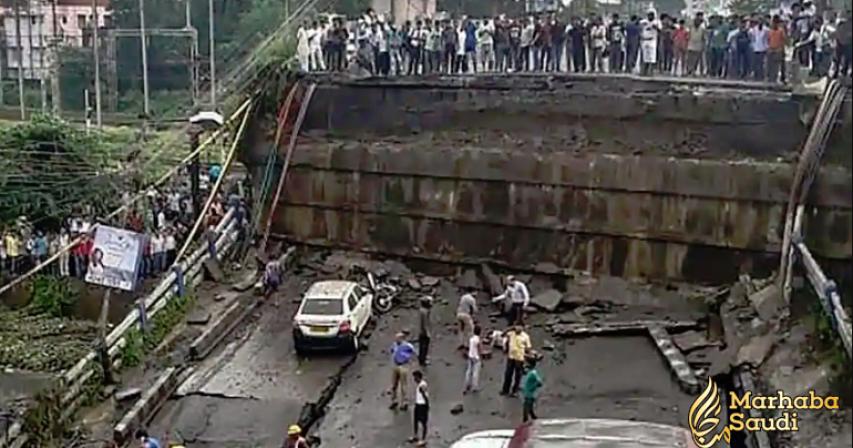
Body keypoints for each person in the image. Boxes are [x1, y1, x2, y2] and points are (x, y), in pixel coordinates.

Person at [500, 324, 531, 396]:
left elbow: (528, 348)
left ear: (522, 328)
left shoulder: (525, 336)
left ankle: (515, 391)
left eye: (519, 327)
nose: (518, 328)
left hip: (519, 358)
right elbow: (502, 334)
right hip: (511, 357)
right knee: (508, 374)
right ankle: (505, 390)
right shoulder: (511, 333)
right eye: (516, 326)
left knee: (518, 376)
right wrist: (511, 328)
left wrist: (526, 355)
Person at [390, 332, 417, 410]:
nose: (396, 340)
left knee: (403, 385)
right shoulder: (394, 345)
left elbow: (414, 353)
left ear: (402, 339)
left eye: (397, 338)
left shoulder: (407, 346)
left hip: (403, 366)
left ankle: (405, 402)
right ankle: (394, 401)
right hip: (395, 365)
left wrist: (408, 359)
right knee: (394, 385)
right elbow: (392, 351)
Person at [408, 370, 429, 446]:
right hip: (418, 404)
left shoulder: (422, 385)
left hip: (422, 405)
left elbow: (425, 396)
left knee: (423, 422)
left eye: (415, 377)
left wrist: (427, 406)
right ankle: (415, 435)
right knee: (416, 420)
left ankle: (423, 439)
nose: (414, 379)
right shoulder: (419, 385)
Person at [521, 357, 544, 423]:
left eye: (526, 363)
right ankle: (534, 419)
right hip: (527, 393)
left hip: (530, 394)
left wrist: (532, 388)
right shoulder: (530, 372)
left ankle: (525, 421)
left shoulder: (533, 373)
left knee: (526, 408)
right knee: (530, 408)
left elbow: (539, 382)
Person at [464, 325, 483, 394]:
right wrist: (481, 357)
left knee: (469, 371)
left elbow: (469, 347)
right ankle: (475, 387)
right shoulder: (478, 340)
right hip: (476, 357)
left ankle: (467, 384)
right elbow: (480, 349)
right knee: (475, 372)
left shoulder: (471, 339)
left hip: (470, 356)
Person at [417, 296, 432, 366]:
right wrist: (428, 333)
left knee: (421, 346)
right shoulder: (425, 312)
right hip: (424, 332)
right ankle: (423, 360)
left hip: (420, 331)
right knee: (424, 347)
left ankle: (421, 359)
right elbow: (425, 323)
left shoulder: (421, 310)